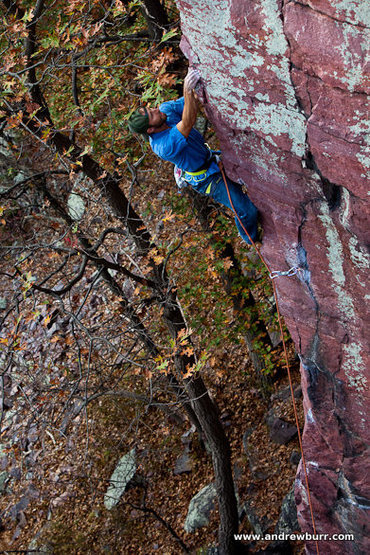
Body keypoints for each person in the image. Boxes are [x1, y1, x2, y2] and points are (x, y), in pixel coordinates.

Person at [128, 68, 259, 245]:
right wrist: (187, 89)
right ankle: (251, 239)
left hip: (212, 158)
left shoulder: (165, 110)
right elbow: (187, 122)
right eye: (152, 114)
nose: (155, 109)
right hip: (207, 179)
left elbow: (193, 101)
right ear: (150, 129)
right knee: (246, 210)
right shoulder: (162, 146)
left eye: (150, 108)